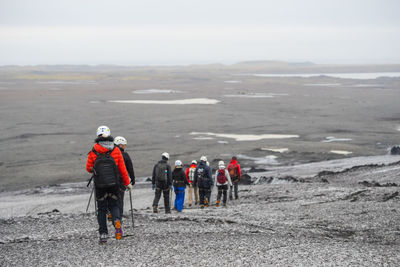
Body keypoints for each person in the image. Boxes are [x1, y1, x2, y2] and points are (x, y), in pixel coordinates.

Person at [86, 126, 132, 243]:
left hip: (100, 185)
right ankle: (117, 221)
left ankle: (103, 234)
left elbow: (88, 168)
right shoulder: (115, 150)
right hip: (114, 184)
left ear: (98, 136)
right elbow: (122, 169)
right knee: (114, 205)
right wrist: (127, 183)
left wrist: (96, 170)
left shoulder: (94, 150)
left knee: (101, 209)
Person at [114, 136, 136, 219]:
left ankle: (110, 214)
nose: (124, 146)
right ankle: (118, 217)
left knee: (111, 198)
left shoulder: (110, 153)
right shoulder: (125, 155)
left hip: (110, 180)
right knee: (120, 199)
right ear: (120, 145)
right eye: (124, 145)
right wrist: (132, 179)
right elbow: (130, 168)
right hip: (121, 180)